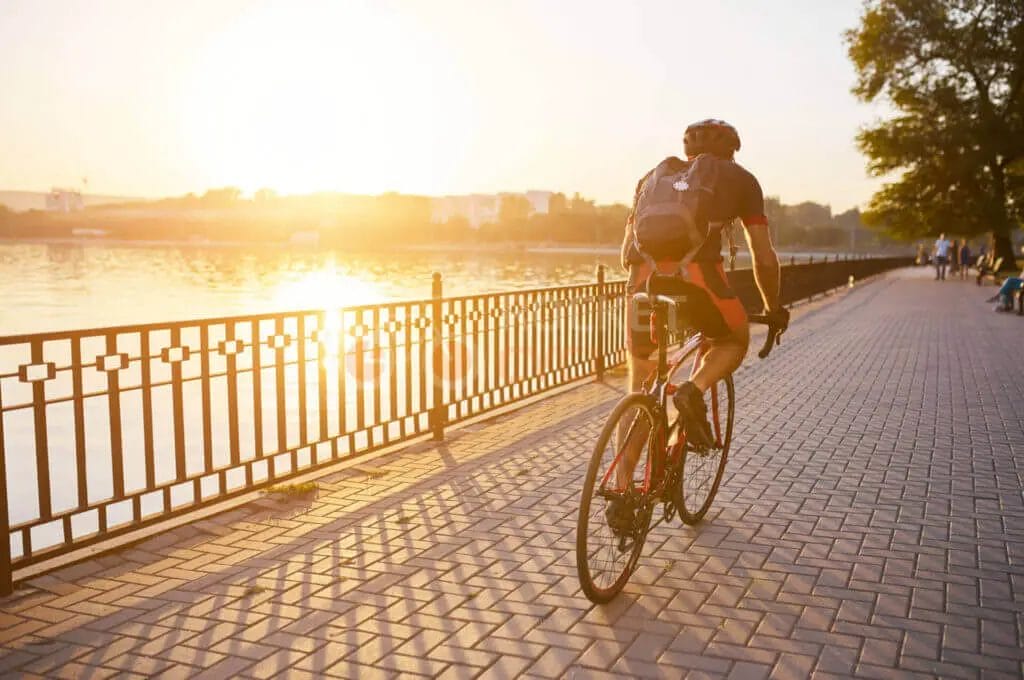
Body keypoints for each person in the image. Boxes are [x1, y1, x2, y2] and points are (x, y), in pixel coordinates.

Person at [610, 119, 787, 529]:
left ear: (685, 149)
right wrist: (772, 306)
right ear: (732, 151)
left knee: (641, 382)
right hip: (698, 284)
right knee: (733, 338)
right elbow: (763, 256)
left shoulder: (649, 180)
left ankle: (622, 492)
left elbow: (625, 252)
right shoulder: (741, 180)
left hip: (643, 285)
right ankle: (693, 389)